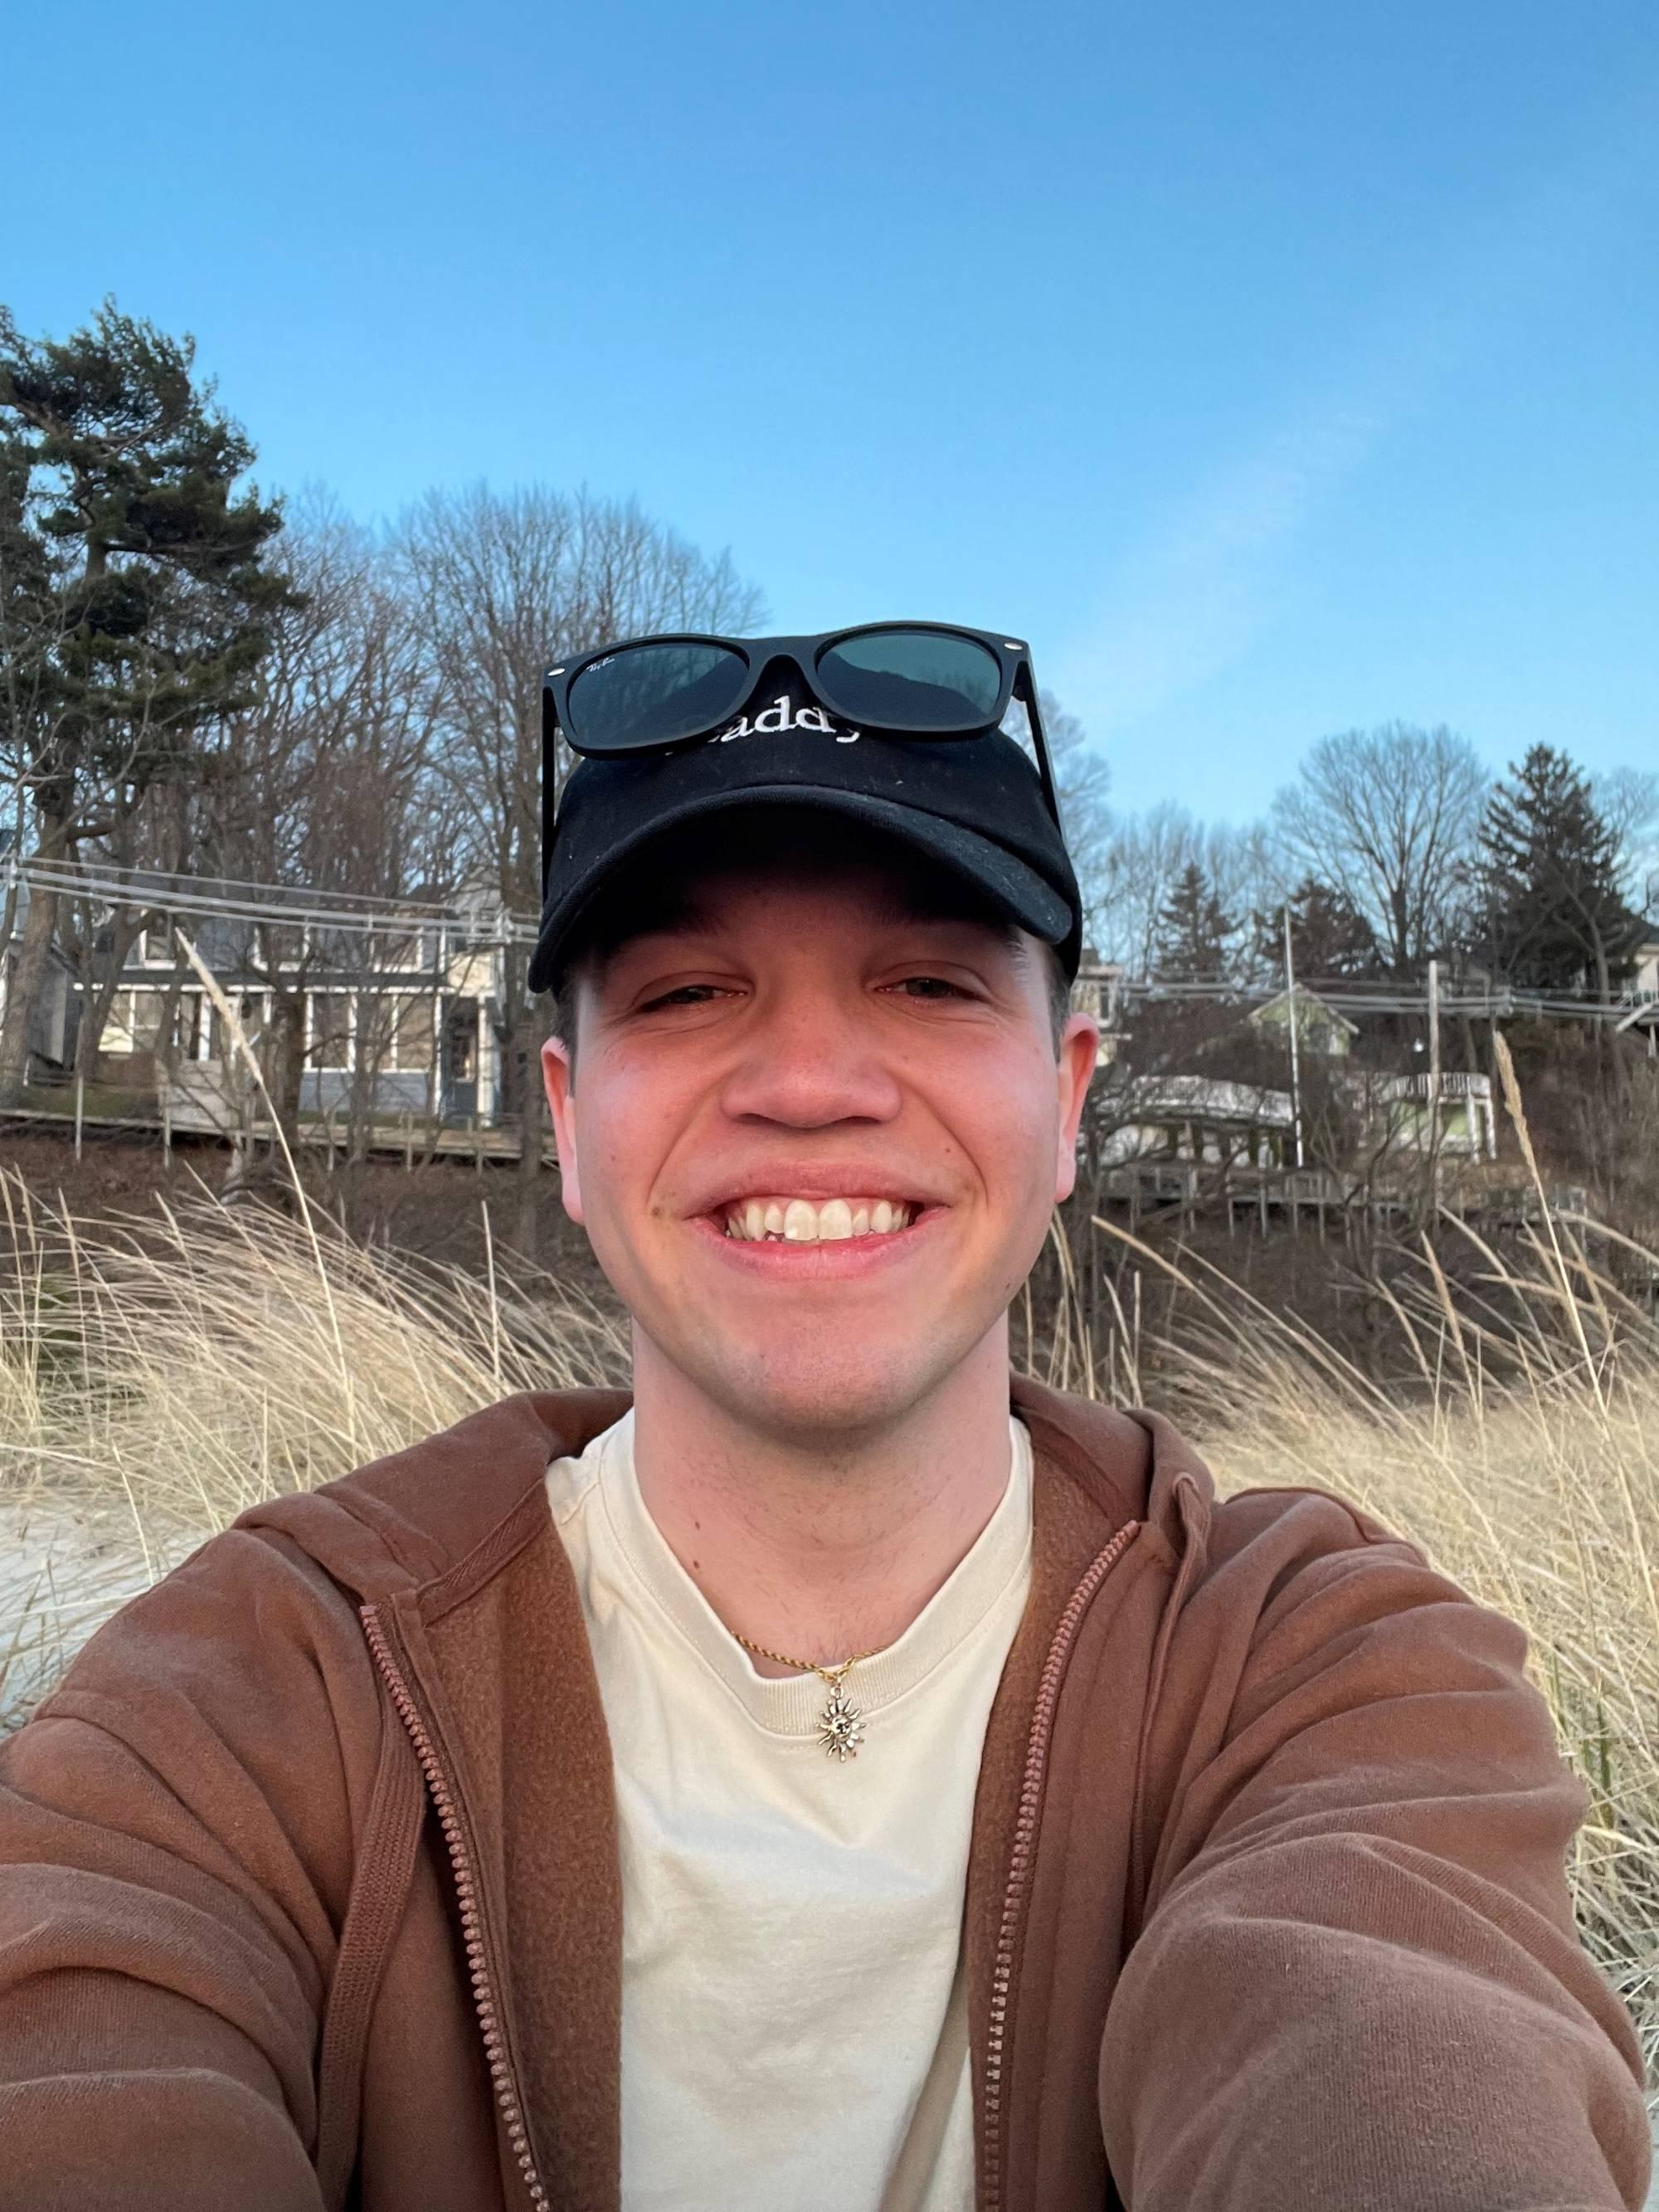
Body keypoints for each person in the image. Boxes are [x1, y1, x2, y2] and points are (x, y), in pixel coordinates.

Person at [0, 622, 1649, 2212]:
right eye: (687, 994)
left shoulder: (1313, 1665)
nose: (807, 1079)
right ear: (566, 1122)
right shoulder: (268, 1682)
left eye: (928, 983)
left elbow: (1395, 2036)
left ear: (1067, 1098)